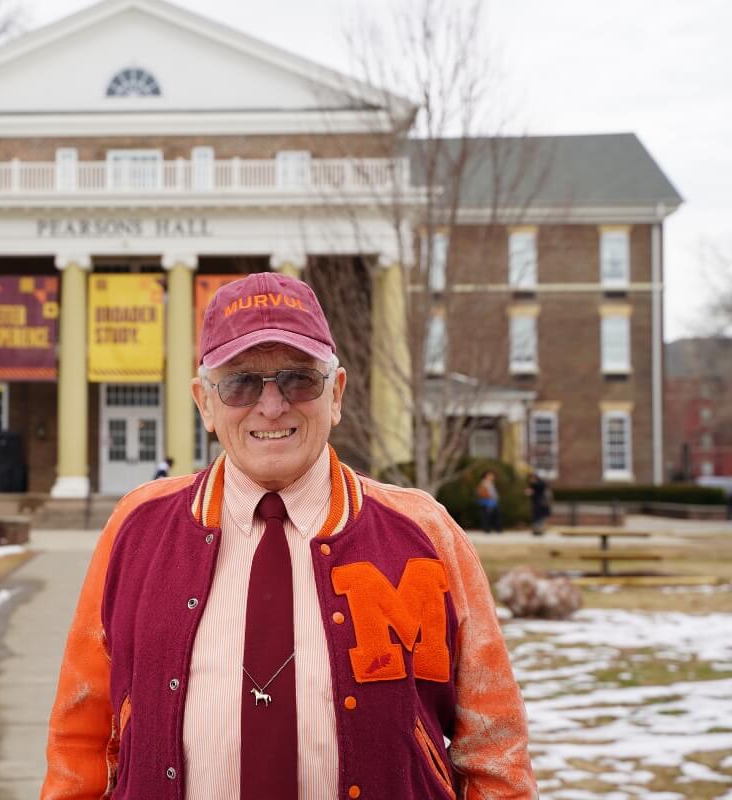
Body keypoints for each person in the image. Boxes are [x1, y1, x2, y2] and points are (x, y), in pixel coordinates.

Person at [41, 272, 535, 799]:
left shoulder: (424, 533)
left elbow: (494, 752)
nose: (271, 406)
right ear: (205, 403)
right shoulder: (137, 528)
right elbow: (81, 741)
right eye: (239, 383)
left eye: (299, 379)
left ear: (337, 393)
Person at [476, 469, 502, 534]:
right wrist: (489, 496)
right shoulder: (484, 483)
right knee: (487, 516)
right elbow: (481, 493)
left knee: (492, 515)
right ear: (486, 476)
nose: (492, 477)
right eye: (490, 475)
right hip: (488, 502)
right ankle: (487, 529)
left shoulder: (490, 483)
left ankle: (494, 529)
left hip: (492, 502)